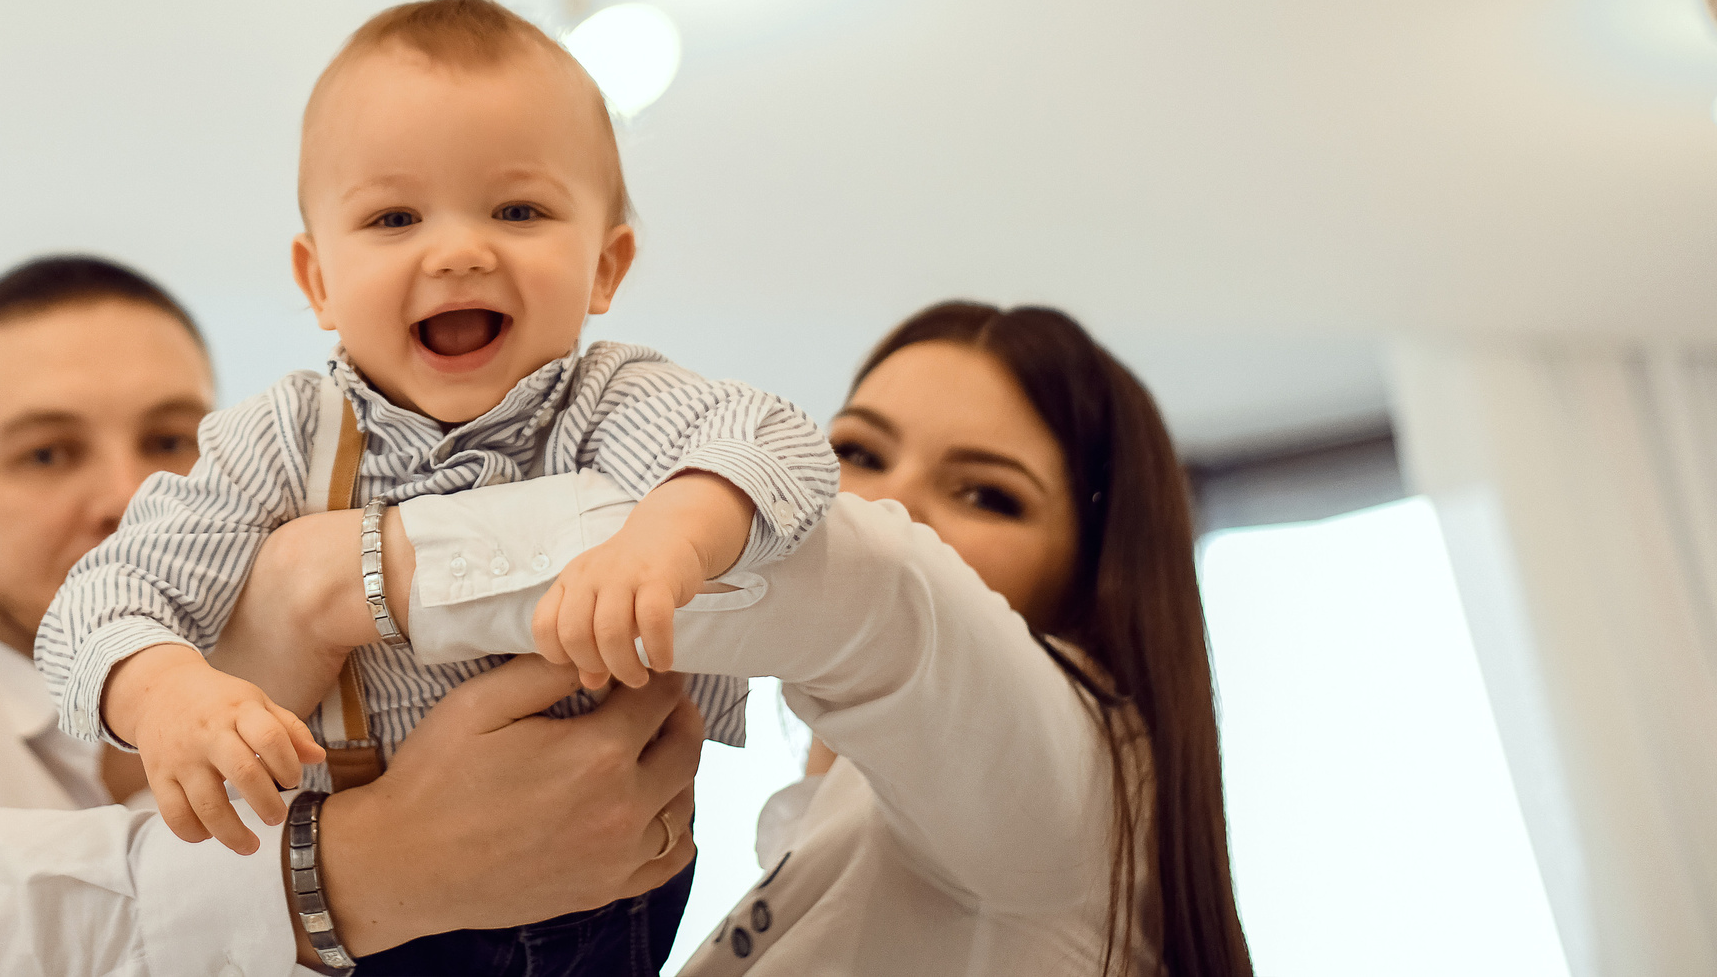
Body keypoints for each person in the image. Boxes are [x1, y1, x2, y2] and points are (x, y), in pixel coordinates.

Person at [35, 0, 839, 974]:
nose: (458, 249)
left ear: (605, 265)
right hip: (380, 909)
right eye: (393, 216)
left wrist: (667, 537)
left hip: (612, 885)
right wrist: (166, 692)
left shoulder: (611, 402)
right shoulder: (285, 441)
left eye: (518, 209)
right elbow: (97, 602)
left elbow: (776, 442)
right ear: (317, 278)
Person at [0, 253, 705, 976]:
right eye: (47, 453)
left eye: (168, 442)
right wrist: (372, 867)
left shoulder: (341, 712)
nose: (125, 495)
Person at [226, 300, 1255, 976]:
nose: (890, 504)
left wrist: (326, 579)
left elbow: (874, 578)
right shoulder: (816, 841)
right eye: (854, 452)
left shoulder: (1079, 786)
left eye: (984, 492)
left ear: (1091, 575)